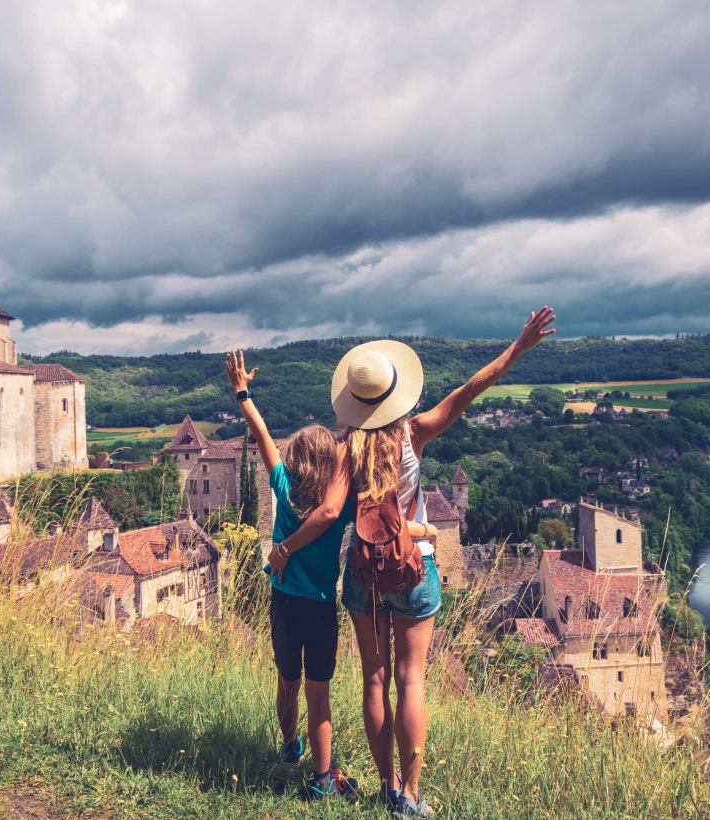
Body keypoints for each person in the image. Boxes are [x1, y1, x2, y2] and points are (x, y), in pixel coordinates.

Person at [331, 306, 556, 818]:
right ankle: (409, 798)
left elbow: (328, 506)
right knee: (412, 681)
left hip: (363, 570)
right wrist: (519, 348)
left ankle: (385, 785)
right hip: (414, 566)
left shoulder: (344, 447)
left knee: (373, 678)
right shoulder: (412, 434)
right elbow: (471, 389)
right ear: (393, 393)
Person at [227, 350, 431, 801]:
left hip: (283, 600)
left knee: (287, 680)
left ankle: (288, 747)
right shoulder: (338, 513)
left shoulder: (282, 485)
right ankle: (322, 779)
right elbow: (382, 520)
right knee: (320, 692)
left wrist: (244, 393)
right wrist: (423, 528)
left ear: (294, 460)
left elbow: (261, 436)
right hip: (320, 606)